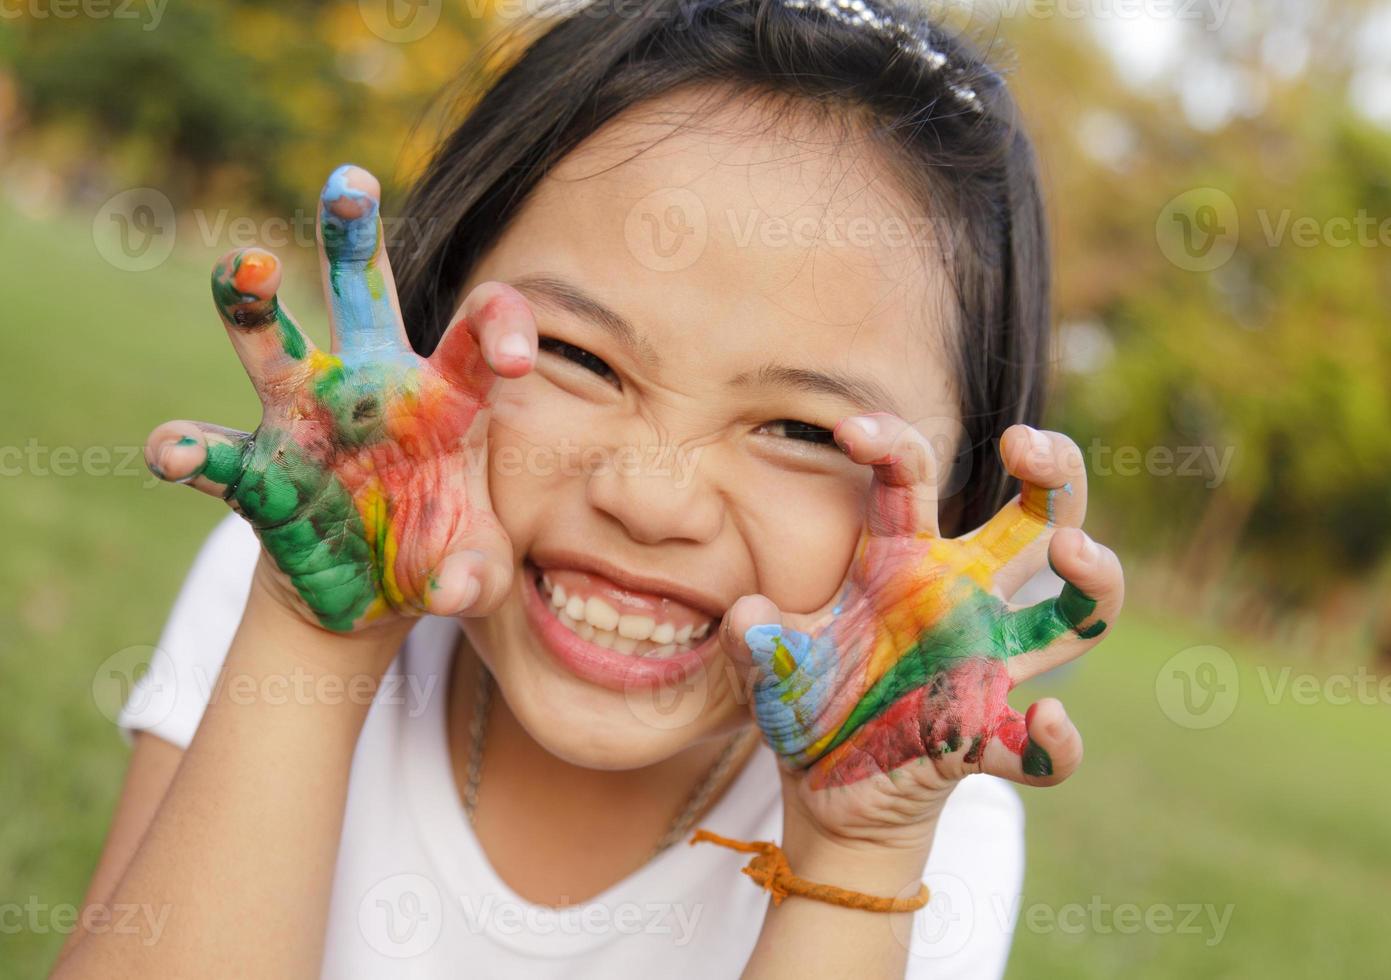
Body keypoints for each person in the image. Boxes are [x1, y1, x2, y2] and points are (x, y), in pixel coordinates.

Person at [56, 0, 1123, 975]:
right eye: (575, 356)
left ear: (964, 492)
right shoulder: (296, 563)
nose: (650, 499)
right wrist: (315, 639)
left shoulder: (925, 805)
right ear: (436, 323)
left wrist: (858, 856)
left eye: (803, 428)